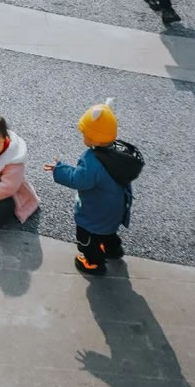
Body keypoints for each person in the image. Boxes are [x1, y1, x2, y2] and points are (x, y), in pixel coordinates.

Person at [45, 99, 143, 277]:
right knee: (109, 232)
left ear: (92, 137)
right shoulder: (118, 153)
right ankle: (113, 250)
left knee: (87, 238)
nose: (83, 136)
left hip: (94, 212)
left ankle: (93, 262)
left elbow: (79, 180)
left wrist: (59, 168)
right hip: (115, 209)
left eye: (84, 133)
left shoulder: (92, 160)